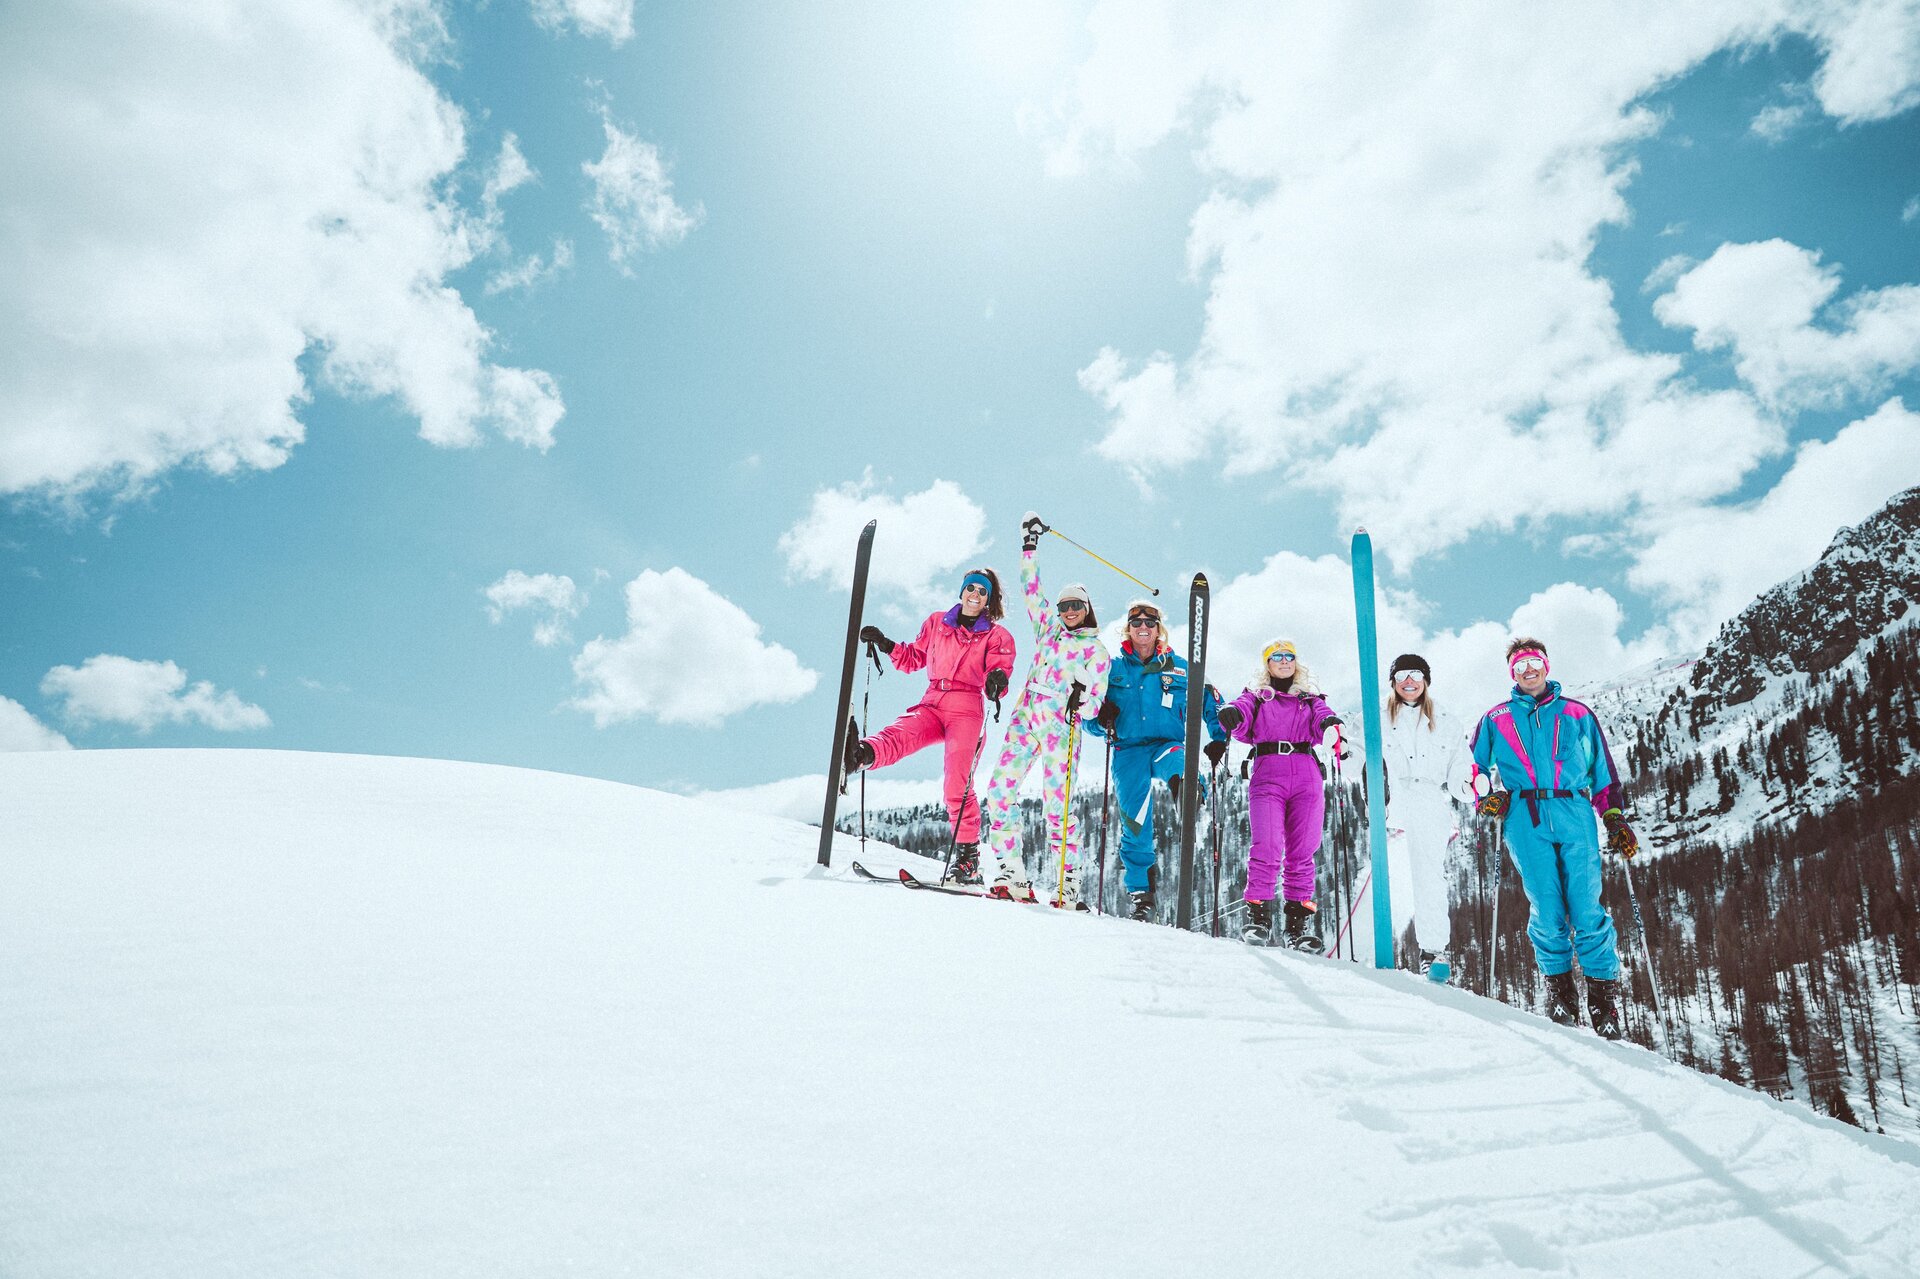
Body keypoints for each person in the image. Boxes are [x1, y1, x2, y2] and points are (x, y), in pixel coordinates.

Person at [1467, 637, 1639, 1039]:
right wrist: (1485, 798)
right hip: (1525, 816)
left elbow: (1602, 771)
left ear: (1546, 664)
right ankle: (1560, 995)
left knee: (1585, 906)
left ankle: (1603, 1002)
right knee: (1546, 907)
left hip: (1574, 811)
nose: (1528, 670)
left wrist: (1613, 816)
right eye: (1520, 665)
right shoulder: (1497, 718)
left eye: (1534, 662)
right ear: (1512, 672)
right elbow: (1473, 767)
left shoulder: (1577, 714)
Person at [846, 568, 1017, 885]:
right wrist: (885, 643)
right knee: (903, 731)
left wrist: (996, 682)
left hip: (967, 709)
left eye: (982, 592)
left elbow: (1000, 671)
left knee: (957, 784)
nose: (975, 595)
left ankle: (967, 861)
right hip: (933, 699)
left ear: (988, 601)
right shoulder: (937, 623)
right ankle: (860, 755)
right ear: (962, 592)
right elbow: (913, 659)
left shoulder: (997, 636)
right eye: (971, 588)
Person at [978, 514, 1112, 905]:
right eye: (1064, 605)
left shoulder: (1096, 651)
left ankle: (1067, 885)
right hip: (1026, 716)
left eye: (1075, 605)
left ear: (1086, 609)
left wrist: (1082, 698)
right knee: (999, 790)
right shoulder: (1048, 631)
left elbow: (1093, 708)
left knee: (1059, 806)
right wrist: (1029, 546)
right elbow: (1030, 589)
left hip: (1060, 725)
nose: (1068, 610)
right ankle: (1011, 872)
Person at [1084, 599, 1225, 921]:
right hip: (1128, 750)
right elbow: (1088, 716)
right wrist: (1099, 718)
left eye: (1150, 623)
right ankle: (1141, 894)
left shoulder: (1179, 667)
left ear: (1159, 628)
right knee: (1135, 821)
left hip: (1166, 742)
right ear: (1128, 629)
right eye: (1137, 623)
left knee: (1179, 764)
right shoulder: (1113, 668)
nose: (1143, 628)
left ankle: (1188, 793)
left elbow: (1211, 701)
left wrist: (1219, 737)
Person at [1216, 640, 1345, 949]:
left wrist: (1329, 724)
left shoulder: (1310, 699)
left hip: (1306, 775)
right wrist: (1233, 712)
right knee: (1268, 844)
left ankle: (1298, 926)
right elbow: (1242, 710)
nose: (1284, 661)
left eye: (1290, 656)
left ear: (1295, 663)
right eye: (1277, 657)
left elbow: (1323, 716)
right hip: (1268, 773)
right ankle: (1258, 917)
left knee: (1303, 850)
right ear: (1268, 664)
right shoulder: (1257, 696)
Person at [1380, 654, 1472, 983]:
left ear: (1426, 680)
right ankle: (1376, 945)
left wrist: (1470, 785)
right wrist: (1344, 752)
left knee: (1430, 876)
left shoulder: (1445, 719)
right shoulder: (1378, 715)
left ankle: (1433, 950)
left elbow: (1461, 766)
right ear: (1393, 681)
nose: (1409, 680)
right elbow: (1358, 754)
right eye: (1402, 675)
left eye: (1416, 674)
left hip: (1429, 797)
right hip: (1391, 799)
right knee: (1388, 873)